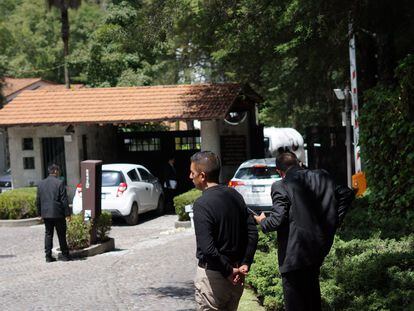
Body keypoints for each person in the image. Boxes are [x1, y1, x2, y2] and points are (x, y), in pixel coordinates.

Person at [254, 152, 354, 311]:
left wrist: (262, 221)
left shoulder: (281, 185)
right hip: (317, 250)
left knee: (296, 304)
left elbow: (276, 220)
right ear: (299, 163)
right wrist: (333, 221)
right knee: (313, 300)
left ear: (279, 172)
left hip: (293, 255)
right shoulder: (322, 176)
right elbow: (346, 193)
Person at [189, 151, 258, 311]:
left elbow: (208, 248)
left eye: (192, 173)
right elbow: (252, 233)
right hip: (236, 276)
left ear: (202, 176)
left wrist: (228, 271)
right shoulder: (235, 195)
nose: (190, 176)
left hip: (214, 277)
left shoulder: (202, 204)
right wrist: (245, 263)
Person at [36, 164, 71, 262]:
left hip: (46, 214)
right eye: (58, 170)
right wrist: (67, 214)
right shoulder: (60, 183)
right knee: (61, 234)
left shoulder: (41, 183)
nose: (59, 172)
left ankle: (48, 256)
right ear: (55, 171)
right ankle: (65, 255)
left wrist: (39, 214)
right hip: (58, 213)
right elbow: (64, 200)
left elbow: (38, 200)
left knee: (48, 234)